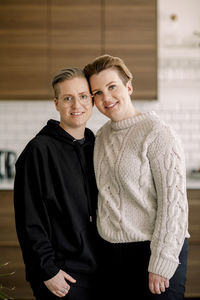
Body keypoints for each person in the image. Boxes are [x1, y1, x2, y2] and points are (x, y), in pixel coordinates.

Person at [83, 54, 190, 300]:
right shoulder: (100, 137)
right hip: (112, 254)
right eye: (97, 92)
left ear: (128, 86)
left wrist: (161, 263)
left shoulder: (157, 133)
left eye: (112, 87)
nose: (106, 97)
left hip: (155, 250)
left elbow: (173, 206)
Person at [13, 68, 101, 300]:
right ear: (56, 103)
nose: (76, 105)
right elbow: (28, 219)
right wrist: (47, 270)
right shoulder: (38, 150)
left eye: (83, 96)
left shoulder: (95, 144)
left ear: (91, 100)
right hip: (62, 274)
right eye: (67, 98)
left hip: (99, 271)